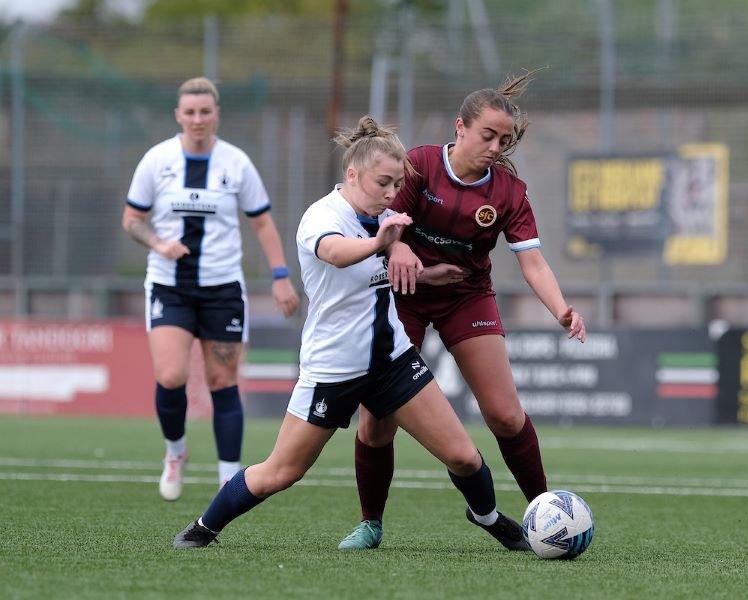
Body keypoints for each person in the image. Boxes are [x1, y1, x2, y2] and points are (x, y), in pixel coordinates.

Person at [172, 116, 529, 551]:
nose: (391, 193)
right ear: (353, 174)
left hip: (393, 363)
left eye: (397, 184)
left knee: (463, 456)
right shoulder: (323, 216)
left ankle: (488, 517)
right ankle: (203, 527)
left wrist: (427, 274)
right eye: (383, 182)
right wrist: (384, 242)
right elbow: (337, 253)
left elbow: (380, 269)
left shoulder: (384, 216)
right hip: (333, 369)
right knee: (281, 472)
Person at [338, 71, 586, 550]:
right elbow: (378, 216)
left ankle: (546, 516)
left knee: (505, 416)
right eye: (487, 135)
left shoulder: (510, 192)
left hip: (465, 297)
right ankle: (371, 522)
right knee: (375, 422)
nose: (496, 147)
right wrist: (397, 250)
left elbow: (532, 262)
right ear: (460, 127)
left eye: (504, 139)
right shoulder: (419, 166)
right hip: (402, 296)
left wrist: (561, 309)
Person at [122, 77, 300, 501]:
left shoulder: (236, 163)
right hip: (170, 287)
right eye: (190, 112)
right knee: (171, 376)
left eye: (205, 111)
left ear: (216, 114)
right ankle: (175, 453)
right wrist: (159, 243)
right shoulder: (157, 160)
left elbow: (262, 222)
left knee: (223, 380)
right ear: (178, 116)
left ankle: (228, 479)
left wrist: (280, 276)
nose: (198, 119)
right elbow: (131, 219)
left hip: (222, 289)